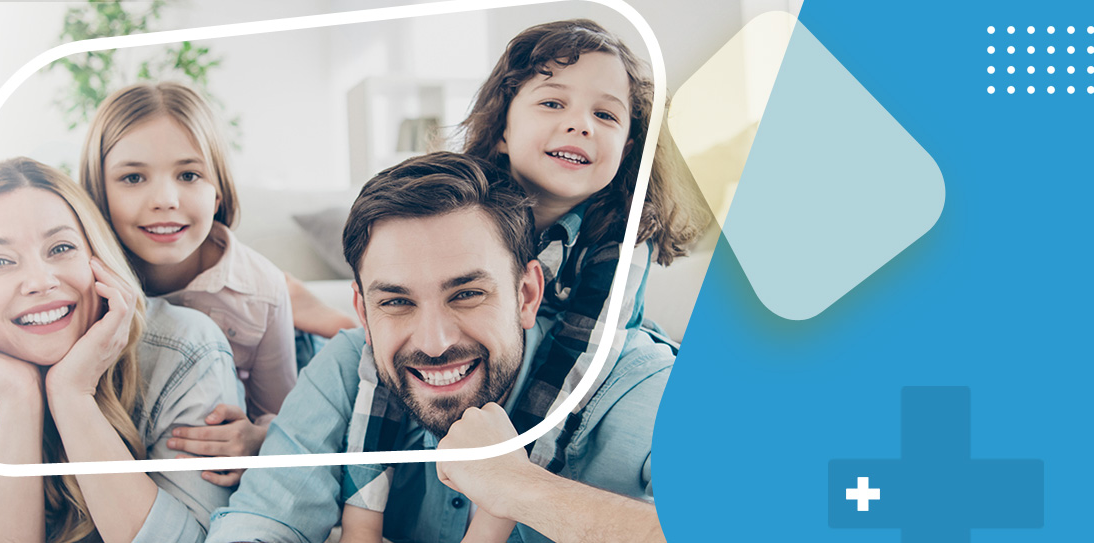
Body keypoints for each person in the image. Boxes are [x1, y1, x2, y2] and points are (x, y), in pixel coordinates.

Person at [338, 19, 706, 542]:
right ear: (503, 129)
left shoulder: (620, 246)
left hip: (571, 379)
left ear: (627, 151)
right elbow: (379, 368)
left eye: (605, 114)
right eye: (553, 103)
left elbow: (567, 371)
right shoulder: (458, 211)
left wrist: (496, 505)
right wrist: (360, 524)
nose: (581, 124)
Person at [207, 152, 672, 543]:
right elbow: (258, 523)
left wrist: (520, 488)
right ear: (364, 312)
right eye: (396, 301)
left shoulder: (644, 387)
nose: (434, 343)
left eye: (467, 294)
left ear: (527, 294)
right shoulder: (348, 368)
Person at [0, 157, 242, 543]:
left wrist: (72, 396)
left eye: (61, 247)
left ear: (96, 256)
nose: (40, 281)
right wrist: (17, 402)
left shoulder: (182, 349)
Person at [78, 82, 298, 487]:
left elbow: (284, 416)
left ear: (218, 193)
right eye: (132, 178)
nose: (165, 199)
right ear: (97, 193)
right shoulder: (79, 281)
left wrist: (257, 439)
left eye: (189, 174)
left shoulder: (261, 291)